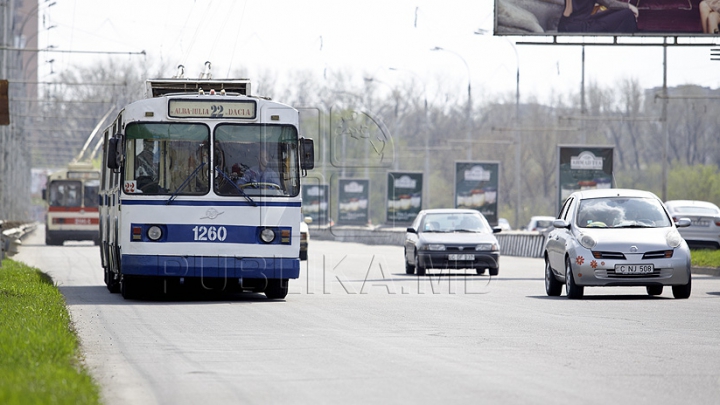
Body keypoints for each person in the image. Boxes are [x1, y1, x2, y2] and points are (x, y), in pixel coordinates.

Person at [558, 0, 639, 33]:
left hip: (566, 23)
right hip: (580, 27)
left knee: (614, 12)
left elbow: (568, 12)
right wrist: (629, 6)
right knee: (627, 14)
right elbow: (609, 3)